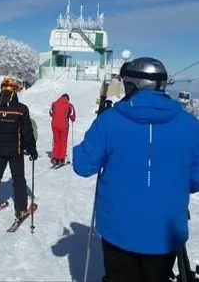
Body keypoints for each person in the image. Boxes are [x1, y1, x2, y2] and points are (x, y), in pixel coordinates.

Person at [73, 57, 199, 282]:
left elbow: (83, 165)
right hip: (166, 232)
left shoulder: (109, 121)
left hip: (118, 230)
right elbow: (195, 180)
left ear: (132, 85)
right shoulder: (189, 124)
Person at [0, 77, 38, 220]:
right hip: (15, 151)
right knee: (19, 179)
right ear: (14, 92)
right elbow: (27, 132)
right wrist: (32, 148)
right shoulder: (21, 109)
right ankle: (21, 210)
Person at [49, 93, 76, 166]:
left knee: (56, 141)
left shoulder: (54, 103)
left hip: (54, 125)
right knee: (63, 142)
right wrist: (71, 118)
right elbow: (73, 116)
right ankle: (61, 159)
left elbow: (51, 113)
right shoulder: (69, 105)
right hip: (64, 126)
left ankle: (55, 158)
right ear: (67, 99)